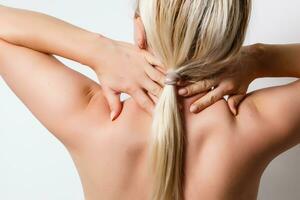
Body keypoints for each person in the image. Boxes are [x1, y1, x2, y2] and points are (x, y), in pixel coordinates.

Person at [0, 1, 299, 200]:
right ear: (233, 37)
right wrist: (260, 58)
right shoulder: (253, 126)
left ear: (139, 29)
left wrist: (95, 50)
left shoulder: (91, 117)